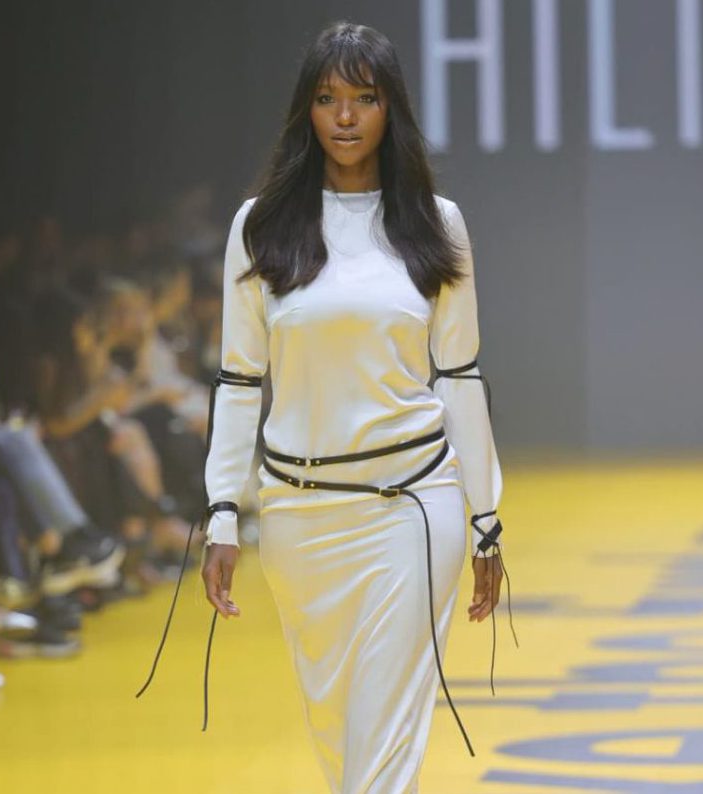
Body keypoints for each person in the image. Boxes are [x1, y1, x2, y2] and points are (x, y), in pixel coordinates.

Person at [143, 20, 514, 794]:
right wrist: (222, 512)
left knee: (380, 745)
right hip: (299, 516)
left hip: (411, 507)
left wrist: (485, 518)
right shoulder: (260, 226)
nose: (345, 116)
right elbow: (239, 377)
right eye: (326, 98)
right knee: (339, 732)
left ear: (391, 108)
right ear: (304, 110)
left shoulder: (436, 222)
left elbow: (459, 374)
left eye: (364, 98)